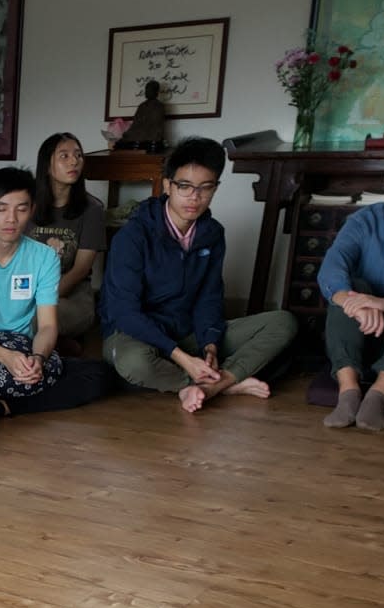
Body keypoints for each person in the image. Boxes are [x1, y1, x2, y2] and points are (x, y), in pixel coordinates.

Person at [100, 137, 296, 413]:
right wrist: (182, 358)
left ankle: (215, 384)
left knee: (282, 322)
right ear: (167, 185)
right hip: (135, 335)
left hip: (186, 333)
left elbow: (209, 297)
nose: (195, 197)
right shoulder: (132, 236)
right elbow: (125, 313)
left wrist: (210, 346)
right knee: (134, 362)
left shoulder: (212, 233)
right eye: (185, 187)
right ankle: (225, 383)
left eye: (206, 188)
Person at [0, 166, 111, 419]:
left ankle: (0, 406)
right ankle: (10, 397)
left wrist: (37, 359)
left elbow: (46, 326)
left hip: (24, 346)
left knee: (99, 375)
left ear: (31, 211)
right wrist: (6, 358)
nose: (11, 218)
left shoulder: (44, 258)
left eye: (21, 209)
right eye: (1, 209)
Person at [317, 127, 384, 431]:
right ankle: (349, 390)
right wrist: (356, 302)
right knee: (351, 289)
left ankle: (379, 394)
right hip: (362, 334)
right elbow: (332, 267)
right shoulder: (363, 220)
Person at [28, 132, 106, 340]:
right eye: (64, 156)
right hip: (25, 290)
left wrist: (39, 300)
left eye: (78, 155)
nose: (74, 162)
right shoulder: (27, 204)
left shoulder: (92, 209)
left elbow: (80, 270)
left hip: (71, 295)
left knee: (35, 319)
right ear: (46, 164)